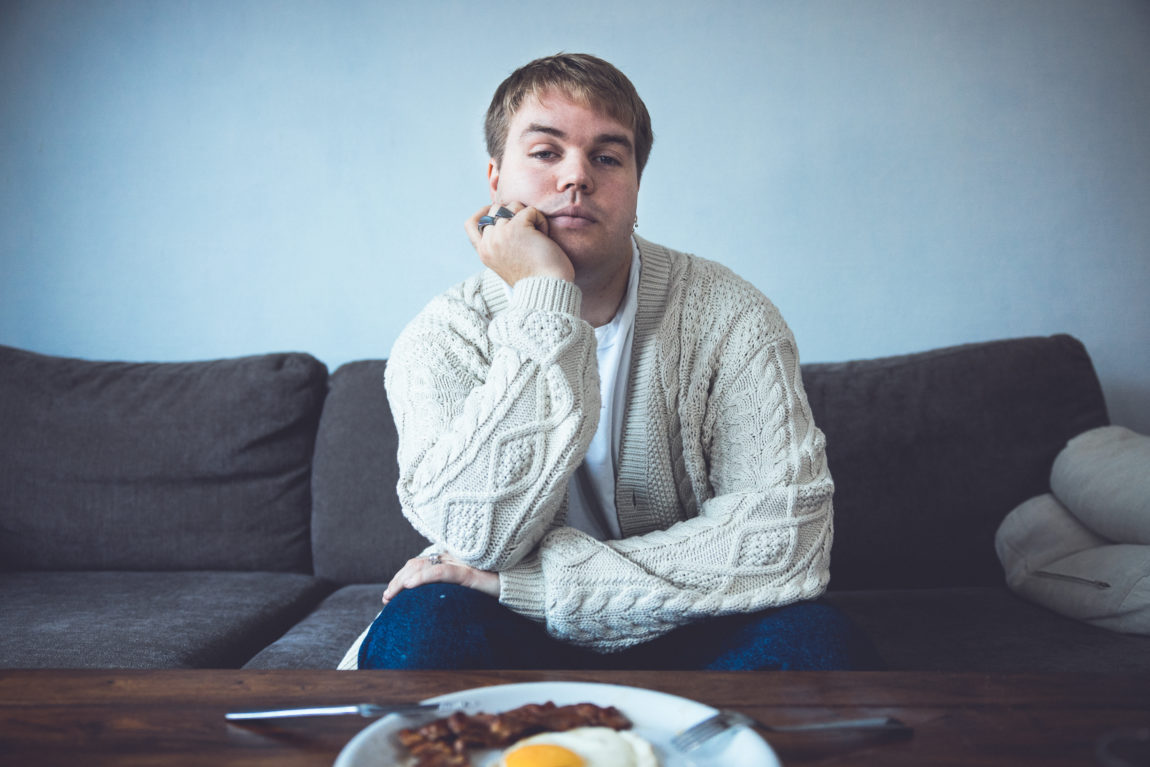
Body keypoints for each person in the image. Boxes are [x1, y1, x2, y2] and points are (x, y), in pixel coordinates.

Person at [345, 53, 879, 671]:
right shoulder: (442, 336)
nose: (577, 177)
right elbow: (477, 538)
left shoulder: (731, 314)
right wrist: (544, 294)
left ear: (635, 184)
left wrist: (535, 584)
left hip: (688, 620)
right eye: (546, 152)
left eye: (606, 156)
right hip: (511, 629)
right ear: (496, 179)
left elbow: (785, 541)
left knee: (816, 642)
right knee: (422, 627)